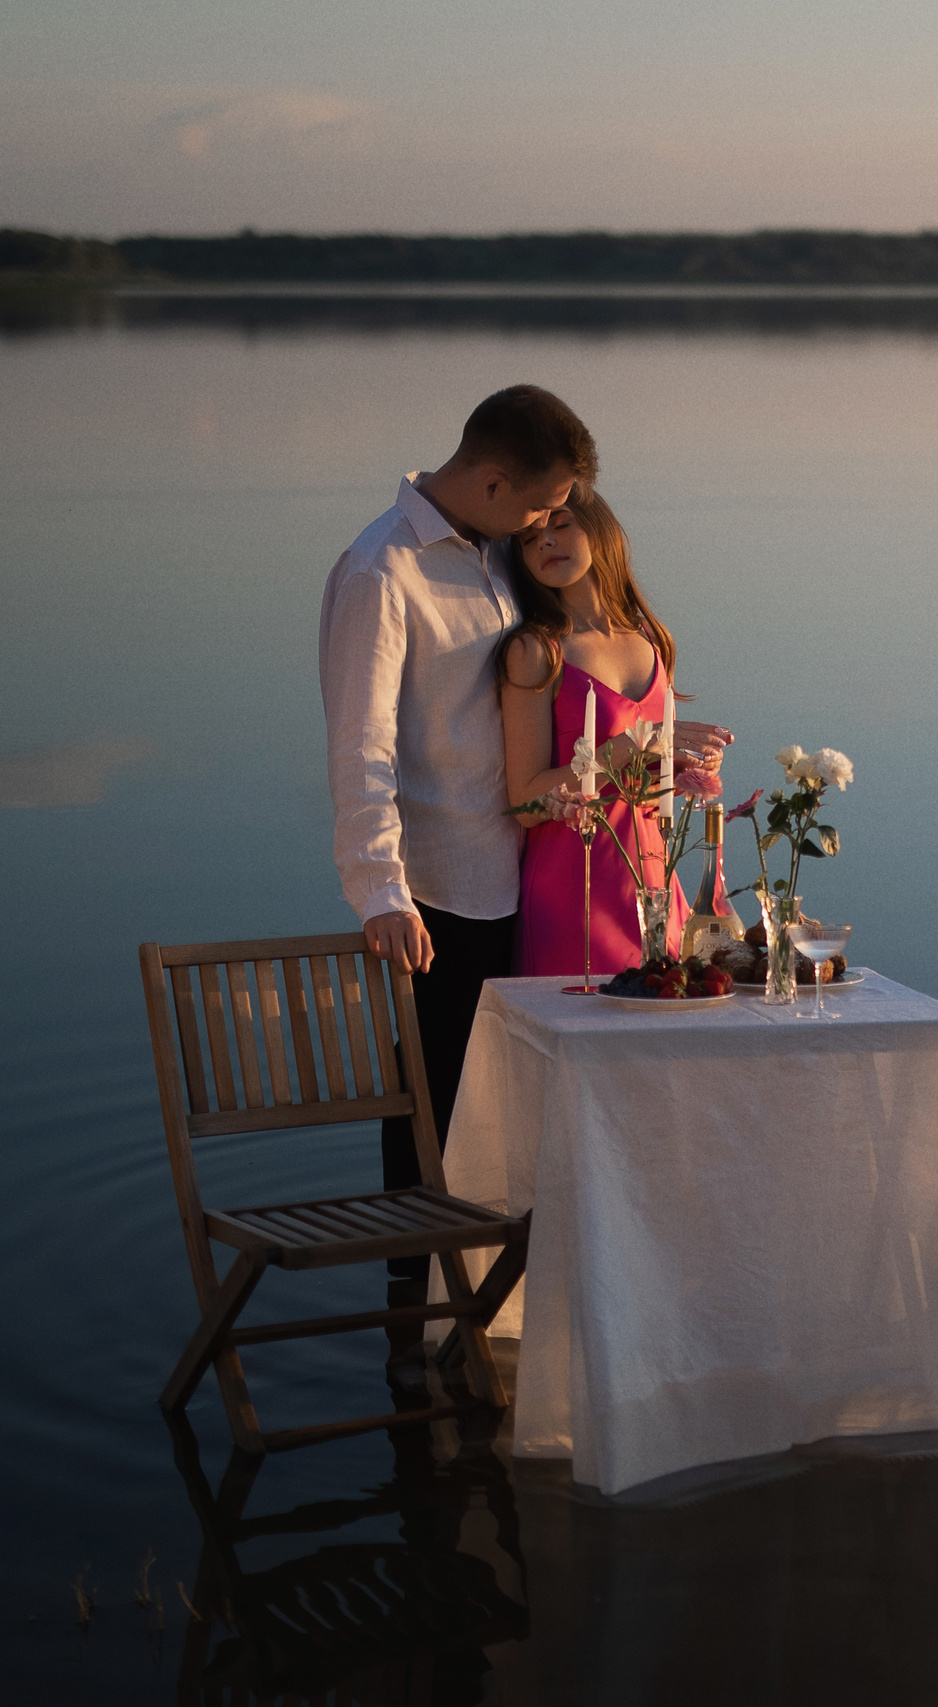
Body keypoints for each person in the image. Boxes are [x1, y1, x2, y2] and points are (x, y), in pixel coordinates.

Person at [320, 384, 594, 1227]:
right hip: (438, 896)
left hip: (520, 883)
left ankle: (489, 1292)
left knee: (505, 1122)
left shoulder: (498, 553)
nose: (545, 525)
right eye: (541, 506)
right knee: (432, 1119)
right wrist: (381, 891)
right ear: (492, 481)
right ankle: (413, 1301)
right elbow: (361, 745)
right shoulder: (383, 572)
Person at [498, 489, 731, 976]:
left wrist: (687, 768)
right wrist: (634, 743)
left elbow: (644, 784)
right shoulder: (535, 651)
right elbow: (526, 801)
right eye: (528, 539)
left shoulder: (651, 639)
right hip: (575, 892)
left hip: (656, 886)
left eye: (560, 524)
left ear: (599, 528)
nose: (545, 542)